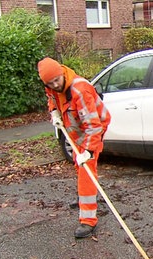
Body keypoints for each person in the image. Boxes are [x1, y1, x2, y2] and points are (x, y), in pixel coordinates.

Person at [37, 57, 111, 239]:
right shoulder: (51, 85)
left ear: (62, 73)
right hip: (76, 129)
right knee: (79, 165)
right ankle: (83, 197)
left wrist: (88, 151)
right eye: (50, 82)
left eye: (57, 80)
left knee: (86, 170)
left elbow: (93, 126)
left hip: (95, 127)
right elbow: (51, 98)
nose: (55, 84)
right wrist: (54, 112)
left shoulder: (80, 90)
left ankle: (88, 220)